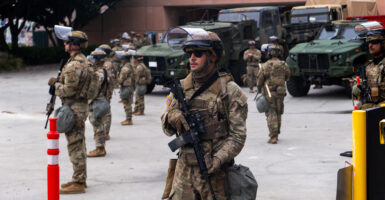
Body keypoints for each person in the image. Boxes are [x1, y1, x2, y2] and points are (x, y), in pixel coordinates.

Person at [161, 28, 247, 199]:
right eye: (190, 54)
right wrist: (172, 116)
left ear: (213, 56)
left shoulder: (229, 91)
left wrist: (218, 160)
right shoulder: (180, 88)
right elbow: (167, 129)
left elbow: (238, 136)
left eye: (198, 53)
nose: (192, 58)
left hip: (213, 173)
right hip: (183, 172)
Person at [48, 26, 89, 194]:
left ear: (74, 44)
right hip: (77, 107)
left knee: (75, 145)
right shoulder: (78, 60)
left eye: (67, 41)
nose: (64, 43)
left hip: (74, 108)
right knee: (78, 143)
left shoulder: (74, 66)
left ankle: (78, 182)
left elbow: (69, 90)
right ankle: (80, 178)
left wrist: (55, 84)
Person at [257, 44, 290, 144]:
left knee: (271, 113)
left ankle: (273, 136)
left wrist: (259, 89)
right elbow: (288, 76)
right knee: (278, 112)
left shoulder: (266, 65)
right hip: (280, 92)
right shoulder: (284, 64)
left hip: (269, 92)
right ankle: (277, 132)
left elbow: (260, 80)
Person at [86, 49, 114, 157]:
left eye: (93, 58)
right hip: (101, 99)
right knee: (99, 123)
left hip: (97, 100)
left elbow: (93, 89)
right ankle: (100, 146)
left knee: (97, 123)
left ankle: (100, 148)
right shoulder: (103, 70)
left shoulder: (99, 73)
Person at [352, 28, 385, 109]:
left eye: (374, 42)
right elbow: (358, 84)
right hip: (369, 108)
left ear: (383, 43)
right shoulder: (367, 65)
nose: (370, 45)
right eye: (369, 42)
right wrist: (356, 87)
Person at [119, 51, 136, 125]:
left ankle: (128, 119)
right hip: (130, 86)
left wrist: (117, 81)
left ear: (125, 59)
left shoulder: (125, 68)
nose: (122, 60)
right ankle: (128, 118)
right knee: (128, 102)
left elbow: (121, 79)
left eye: (123, 59)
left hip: (126, 87)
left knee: (127, 103)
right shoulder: (131, 66)